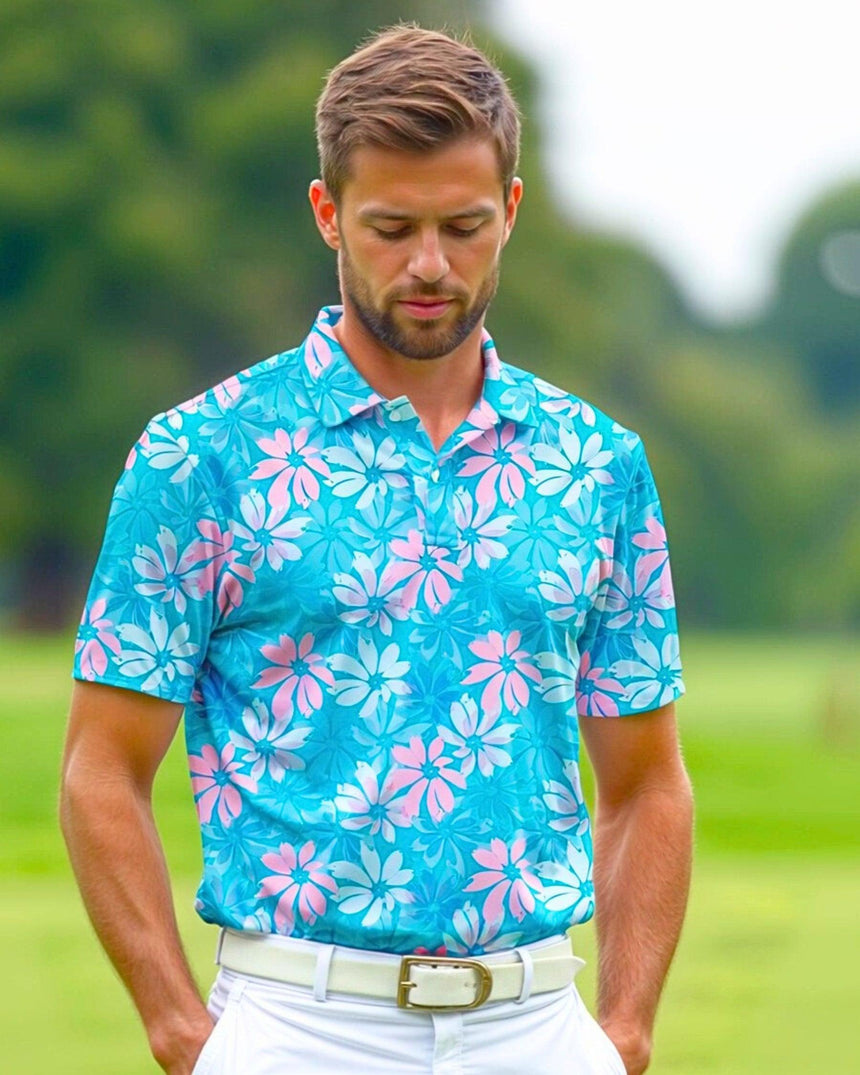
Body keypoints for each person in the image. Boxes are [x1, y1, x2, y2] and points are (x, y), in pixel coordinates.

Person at [61, 24, 693, 1075]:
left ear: (512, 213)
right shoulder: (202, 455)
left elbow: (645, 782)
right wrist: (182, 1034)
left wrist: (621, 1034)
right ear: (327, 214)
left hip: (537, 1025)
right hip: (295, 1026)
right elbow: (100, 770)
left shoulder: (596, 464)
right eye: (391, 227)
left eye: (464, 225)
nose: (430, 265)